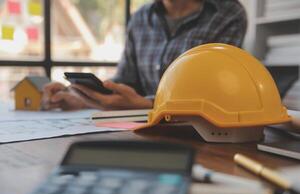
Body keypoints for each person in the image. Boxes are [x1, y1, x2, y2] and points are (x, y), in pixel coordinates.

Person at [42, 0, 247, 111]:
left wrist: (149, 104)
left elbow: (213, 91)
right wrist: (80, 96)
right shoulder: (140, 18)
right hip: (139, 129)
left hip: (197, 134)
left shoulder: (227, 13)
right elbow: (126, 81)